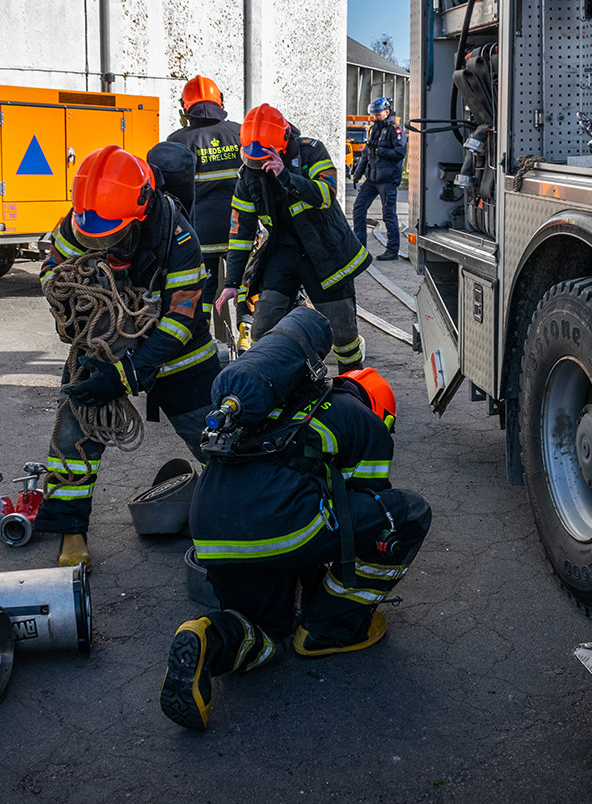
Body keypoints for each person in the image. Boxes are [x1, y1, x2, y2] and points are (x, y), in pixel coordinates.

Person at [159, 308, 431, 731]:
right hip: (279, 524)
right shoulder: (364, 422)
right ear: (382, 411)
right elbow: (366, 509)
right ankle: (330, 629)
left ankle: (209, 637)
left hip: (212, 533)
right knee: (403, 516)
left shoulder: (275, 400)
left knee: (264, 633)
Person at [35, 145, 220, 571]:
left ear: (139, 212)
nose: (98, 242)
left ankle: (248, 507)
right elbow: (53, 268)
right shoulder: (80, 221)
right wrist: (70, 295)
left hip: (180, 355)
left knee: (216, 438)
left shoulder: (178, 236)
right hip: (101, 344)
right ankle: (71, 528)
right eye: (90, 234)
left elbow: (182, 319)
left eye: (110, 235)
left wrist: (128, 374)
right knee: (73, 436)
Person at [215, 103, 371, 373]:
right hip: (283, 253)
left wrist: (285, 176)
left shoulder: (312, 151)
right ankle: (274, 387)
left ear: (283, 143)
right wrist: (231, 282)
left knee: (343, 332)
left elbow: (326, 195)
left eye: (262, 158)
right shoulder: (248, 176)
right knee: (262, 330)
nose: (257, 164)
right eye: (251, 159)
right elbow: (240, 232)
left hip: (324, 253)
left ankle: (354, 382)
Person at [165, 75, 242, 319]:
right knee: (247, 285)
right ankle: (246, 331)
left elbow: (171, 193)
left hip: (200, 235)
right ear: (220, 103)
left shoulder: (178, 141)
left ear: (185, 108)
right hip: (241, 231)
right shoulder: (240, 133)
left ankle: (203, 338)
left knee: (203, 291)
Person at [352, 96, 407, 262]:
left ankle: (392, 251)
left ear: (387, 112)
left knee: (388, 215)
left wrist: (380, 151)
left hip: (387, 180)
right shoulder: (373, 129)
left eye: (377, 114)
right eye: (373, 114)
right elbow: (366, 155)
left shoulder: (395, 130)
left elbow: (400, 153)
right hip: (372, 179)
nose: (375, 117)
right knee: (358, 209)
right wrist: (357, 174)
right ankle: (359, 248)